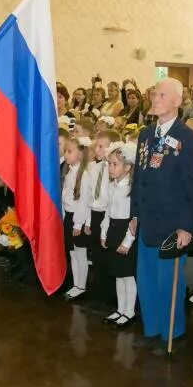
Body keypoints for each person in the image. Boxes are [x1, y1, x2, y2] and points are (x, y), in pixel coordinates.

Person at [130, 77, 193, 355]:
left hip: (172, 223)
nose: (154, 98)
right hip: (147, 219)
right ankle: (151, 329)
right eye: (153, 93)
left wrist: (187, 226)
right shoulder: (146, 134)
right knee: (146, 279)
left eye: (161, 94)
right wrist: (135, 213)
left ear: (176, 100)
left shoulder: (188, 138)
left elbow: (192, 187)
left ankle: (172, 332)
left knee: (168, 282)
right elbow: (139, 178)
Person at [100, 142, 138, 327]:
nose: (111, 168)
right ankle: (120, 309)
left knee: (127, 275)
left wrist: (128, 242)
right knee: (118, 274)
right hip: (114, 230)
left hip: (125, 233)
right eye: (109, 164)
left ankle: (129, 311)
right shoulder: (112, 185)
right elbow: (108, 210)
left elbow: (133, 219)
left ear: (128, 167)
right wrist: (104, 231)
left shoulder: (131, 190)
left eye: (115, 164)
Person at [85, 130, 120, 307]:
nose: (97, 149)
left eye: (101, 146)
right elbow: (90, 194)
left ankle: (110, 295)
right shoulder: (94, 167)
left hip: (108, 215)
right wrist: (88, 220)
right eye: (96, 146)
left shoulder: (113, 170)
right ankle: (99, 292)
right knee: (96, 254)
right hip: (94, 213)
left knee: (107, 255)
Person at [62, 136, 93, 300]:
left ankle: (81, 286)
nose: (65, 154)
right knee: (72, 253)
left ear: (80, 154)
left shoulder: (85, 175)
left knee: (80, 254)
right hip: (69, 217)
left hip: (77, 219)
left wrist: (79, 224)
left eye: (69, 151)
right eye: (65, 151)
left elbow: (84, 202)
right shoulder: (70, 171)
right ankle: (76, 284)